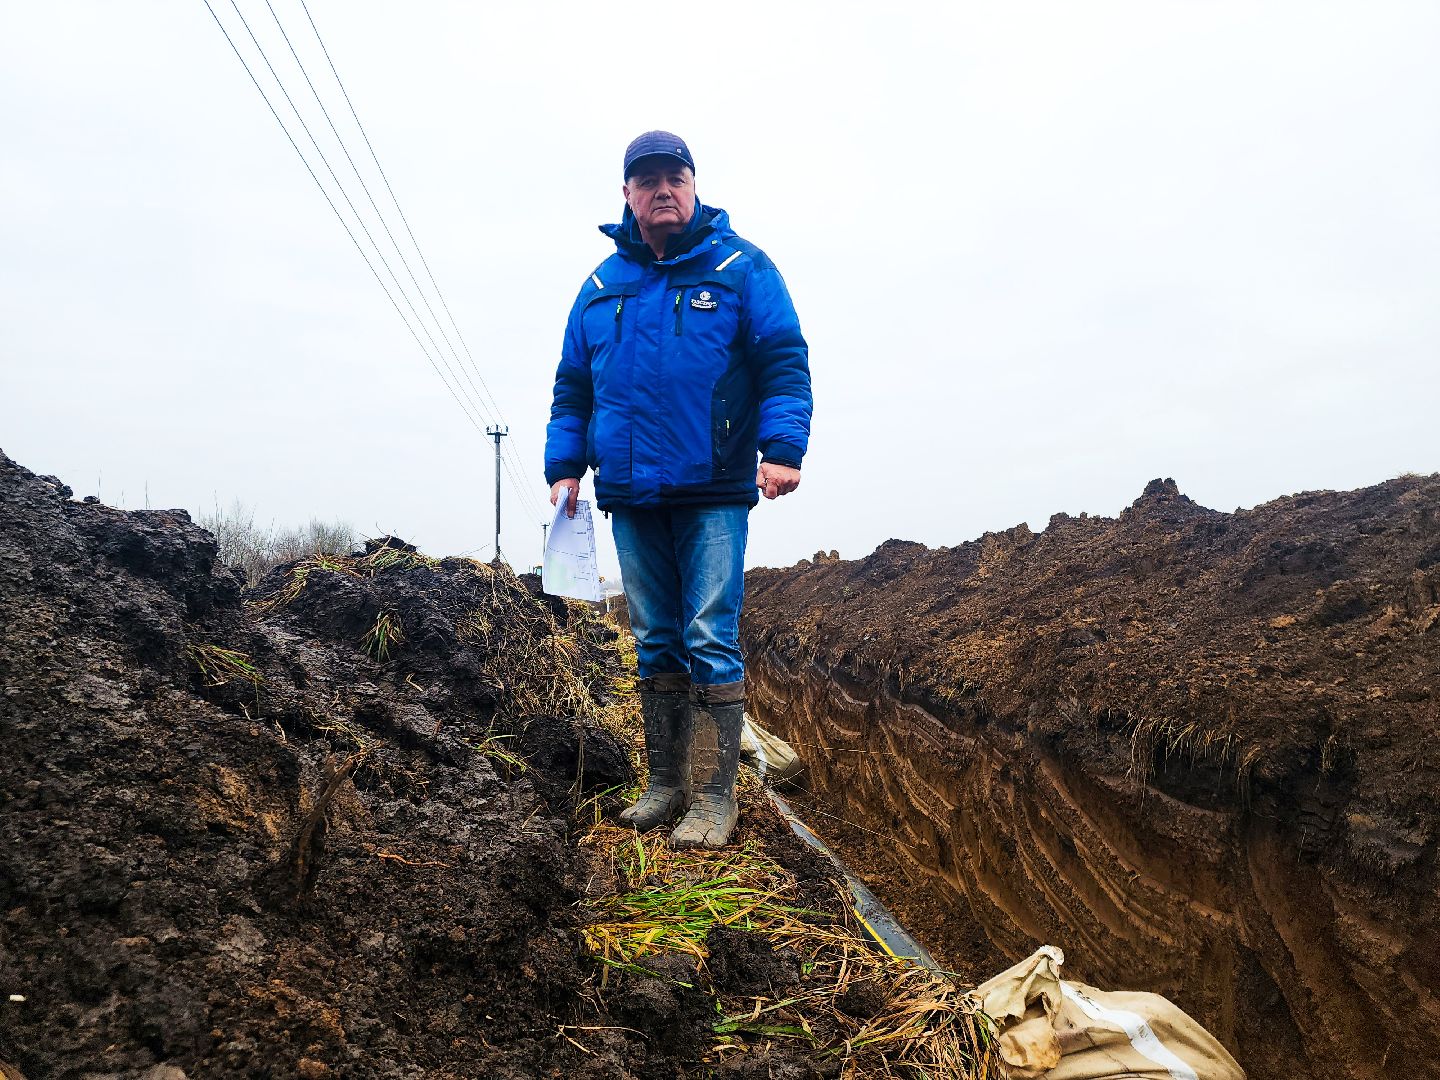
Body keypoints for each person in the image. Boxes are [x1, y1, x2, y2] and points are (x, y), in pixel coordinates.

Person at [544, 131, 812, 848]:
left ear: (694, 187)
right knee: (656, 638)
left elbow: (783, 359)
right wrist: (564, 467)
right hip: (630, 494)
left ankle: (714, 797)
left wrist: (782, 447)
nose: (662, 189)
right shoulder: (601, 287)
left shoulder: (740, 267)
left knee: (708, 635)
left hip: (714, 488)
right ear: (627, 196)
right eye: (647, 180)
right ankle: (665, 785)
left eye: (675, 177)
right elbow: (573, 388)